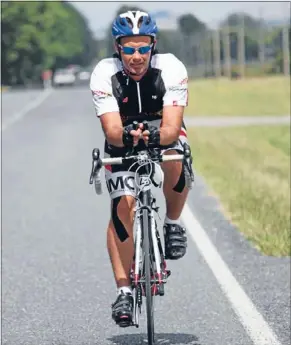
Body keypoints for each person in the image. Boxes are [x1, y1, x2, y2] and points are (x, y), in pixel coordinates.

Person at [90, 10, 193, 327]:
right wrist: (127, 137)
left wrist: (154, 137)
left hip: (162, 129)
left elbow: (172, 128)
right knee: (122, 205)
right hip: (121, 135)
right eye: (129, 48)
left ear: (154, 45)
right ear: (117, 47)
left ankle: (173, 222)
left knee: (177, 157)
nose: (137, 56)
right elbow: (110, 130)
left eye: (143, 47)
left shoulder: (171, 67)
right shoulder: (104, 72)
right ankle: (123, 290)